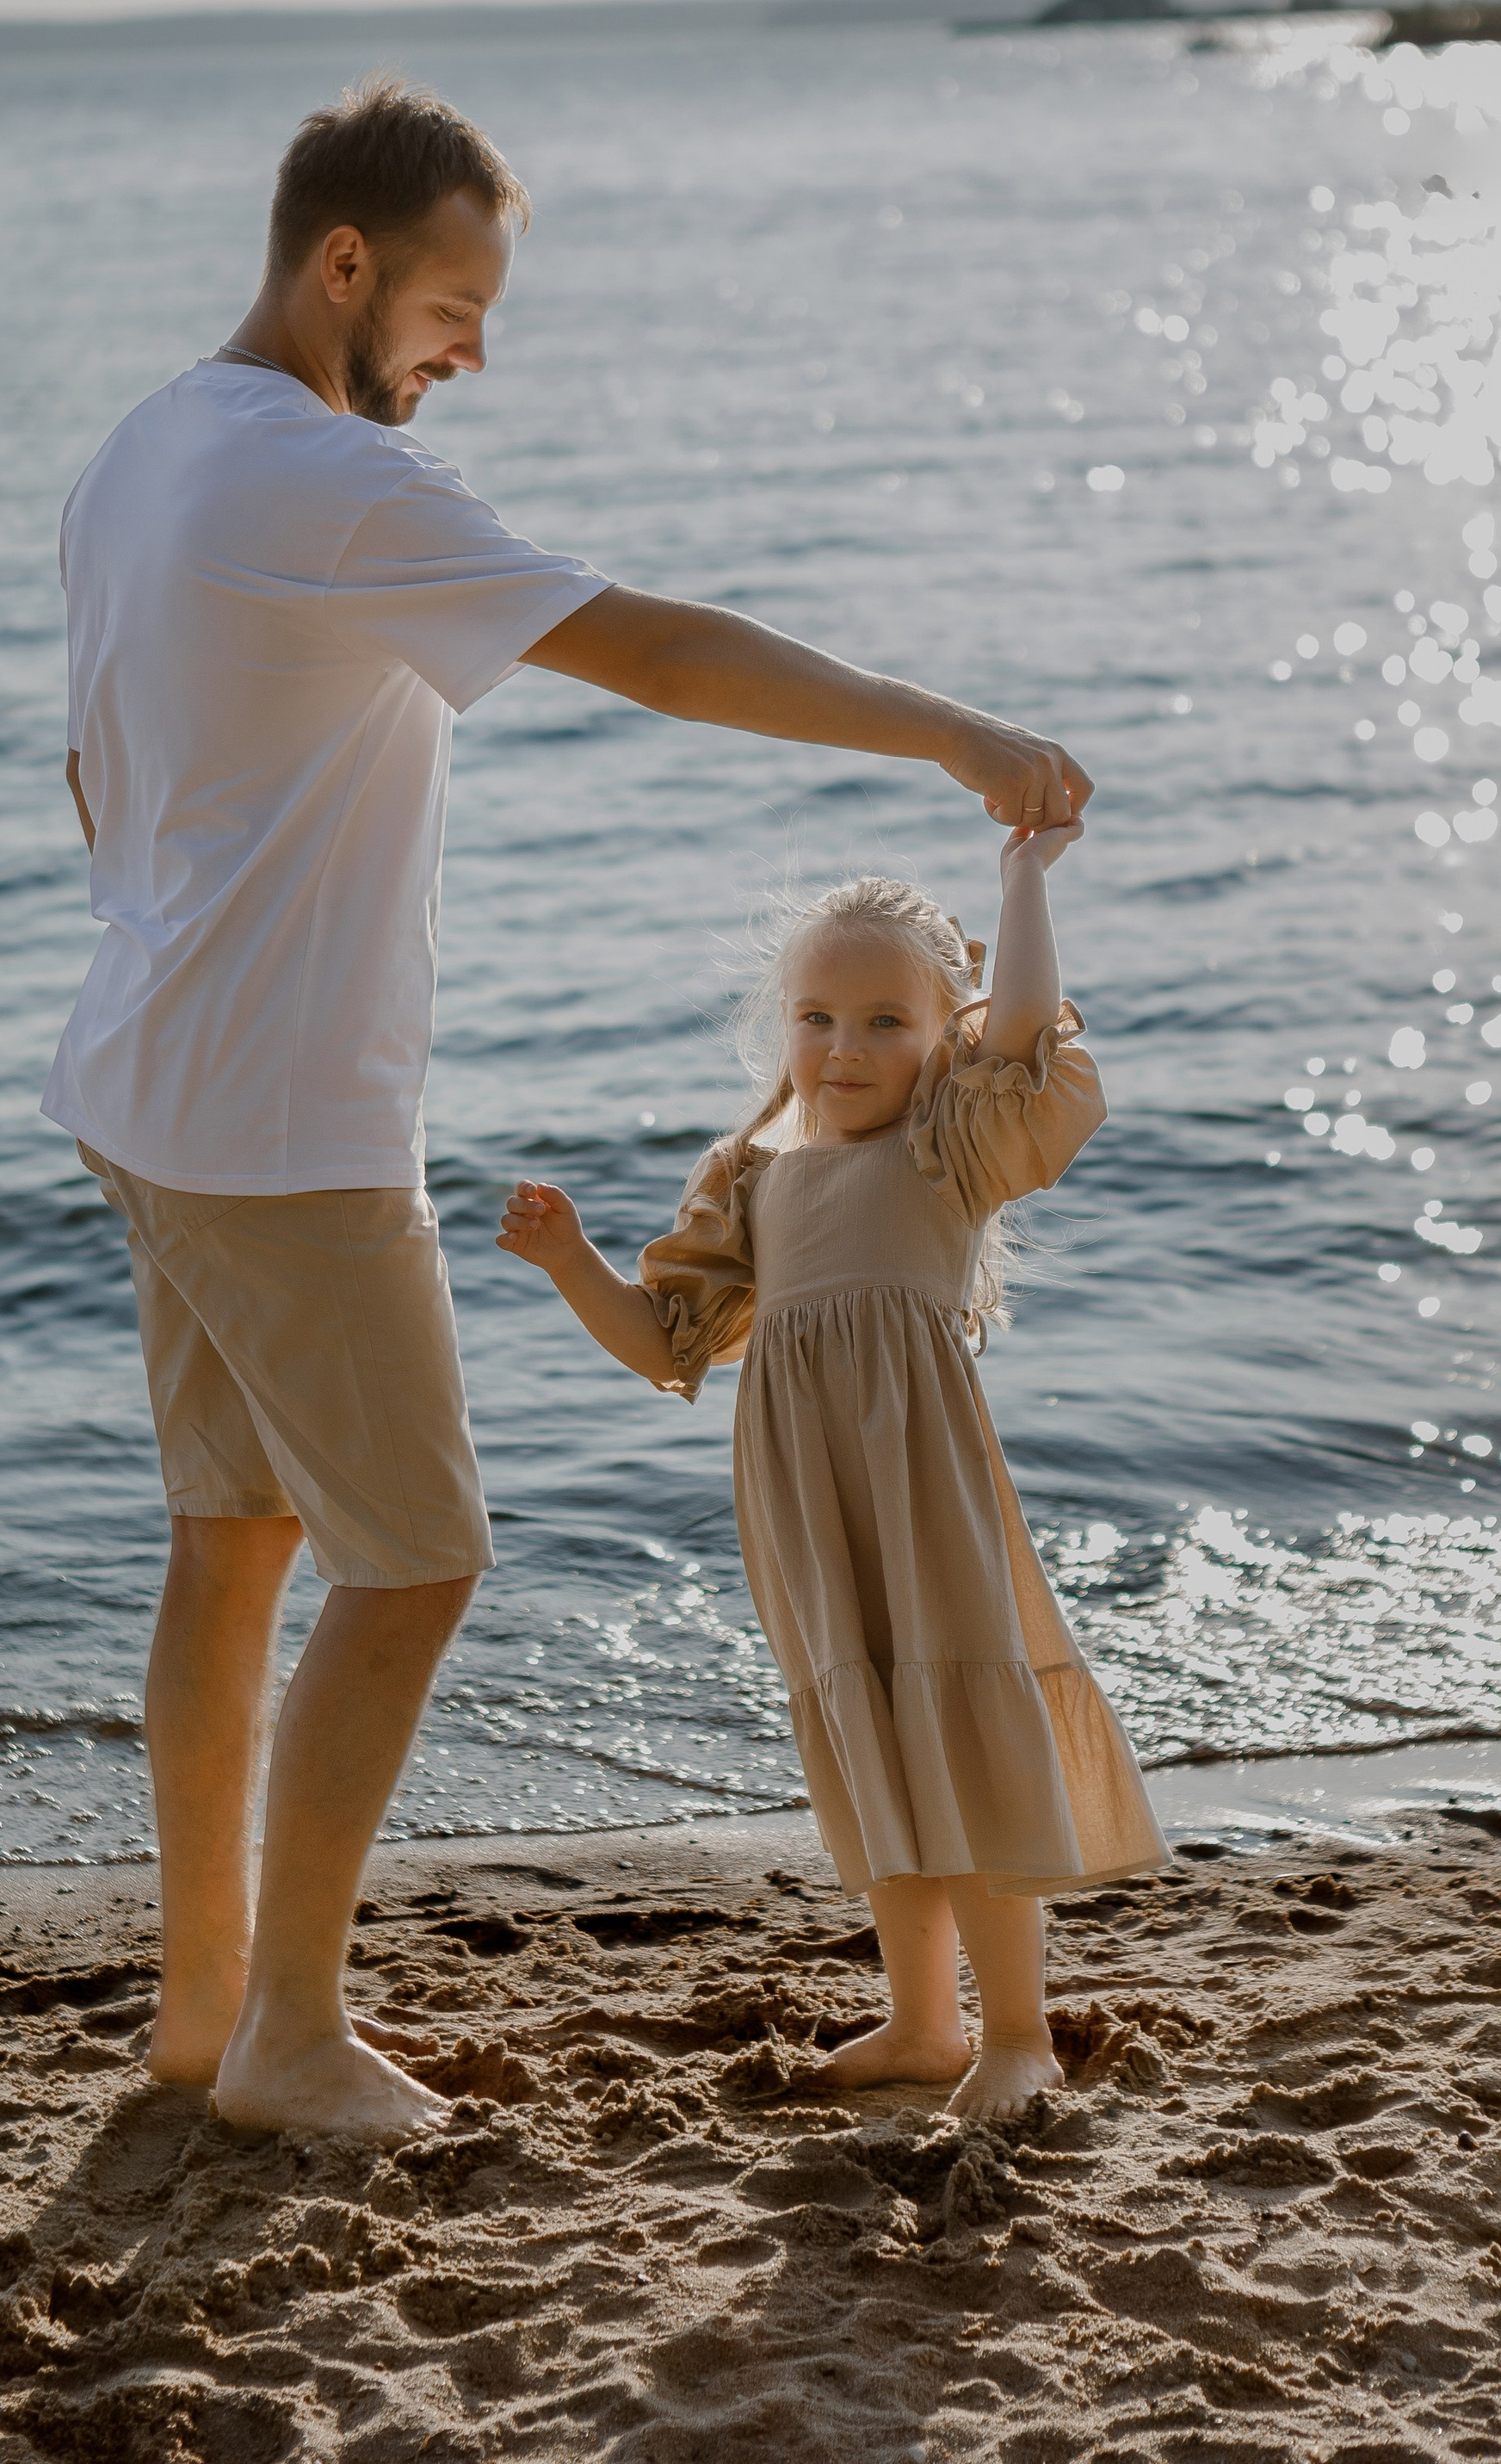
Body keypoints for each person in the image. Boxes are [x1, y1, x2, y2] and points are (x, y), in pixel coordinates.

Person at [46, 74, 1093, 2138]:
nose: (471, 350)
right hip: (275, 1122)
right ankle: (281, 2039)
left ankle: (199, 2014)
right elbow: (659, 652)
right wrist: (952, 734)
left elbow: (98, 764)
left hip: (143, 1075)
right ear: (339, 265)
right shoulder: (321, 478)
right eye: (450, 302)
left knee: (231, 1542)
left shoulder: (144, 446)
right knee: (414, 1562)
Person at [499, 835, 1166, 2118]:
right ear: (781, 1027)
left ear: (942, 1031)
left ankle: (1015, 2036)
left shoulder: (946, 1146)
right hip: (805, 1498)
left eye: (882, 1020)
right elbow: (664, 1343)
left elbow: (1026, 1032)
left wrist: (1025, 880)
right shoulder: (753, 1175)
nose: (844, 1046)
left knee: (958, 1735)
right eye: (816, 1017)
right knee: (872, 1740)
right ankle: (922, 2024)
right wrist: (573, 1262)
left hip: (922, 1489)